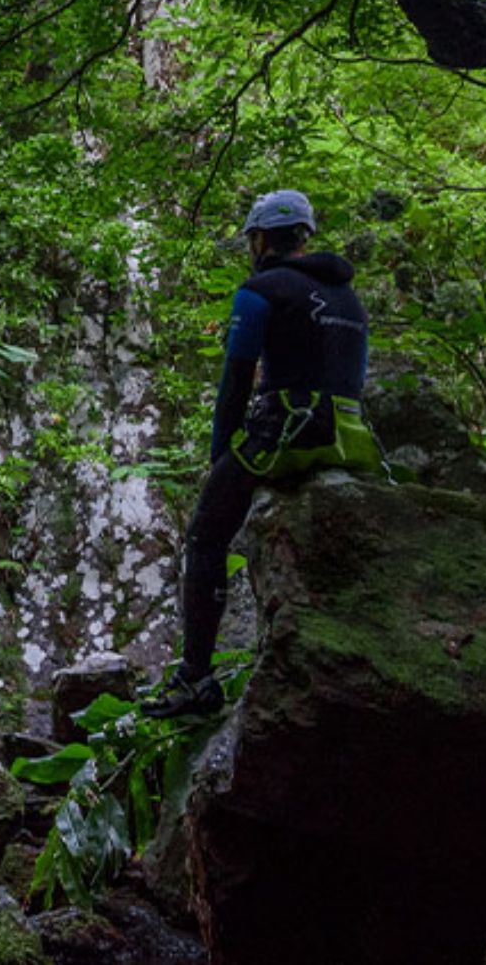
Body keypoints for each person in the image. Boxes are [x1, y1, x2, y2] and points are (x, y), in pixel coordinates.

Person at [143, 189, 381, 719]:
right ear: (304, 237)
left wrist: (220, 456)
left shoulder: (259, 292)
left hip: (290, 432)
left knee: (206, 535)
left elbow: (236, 380)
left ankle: (195, 678)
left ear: (261, 240)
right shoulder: (349, 298)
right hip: (348, 435)